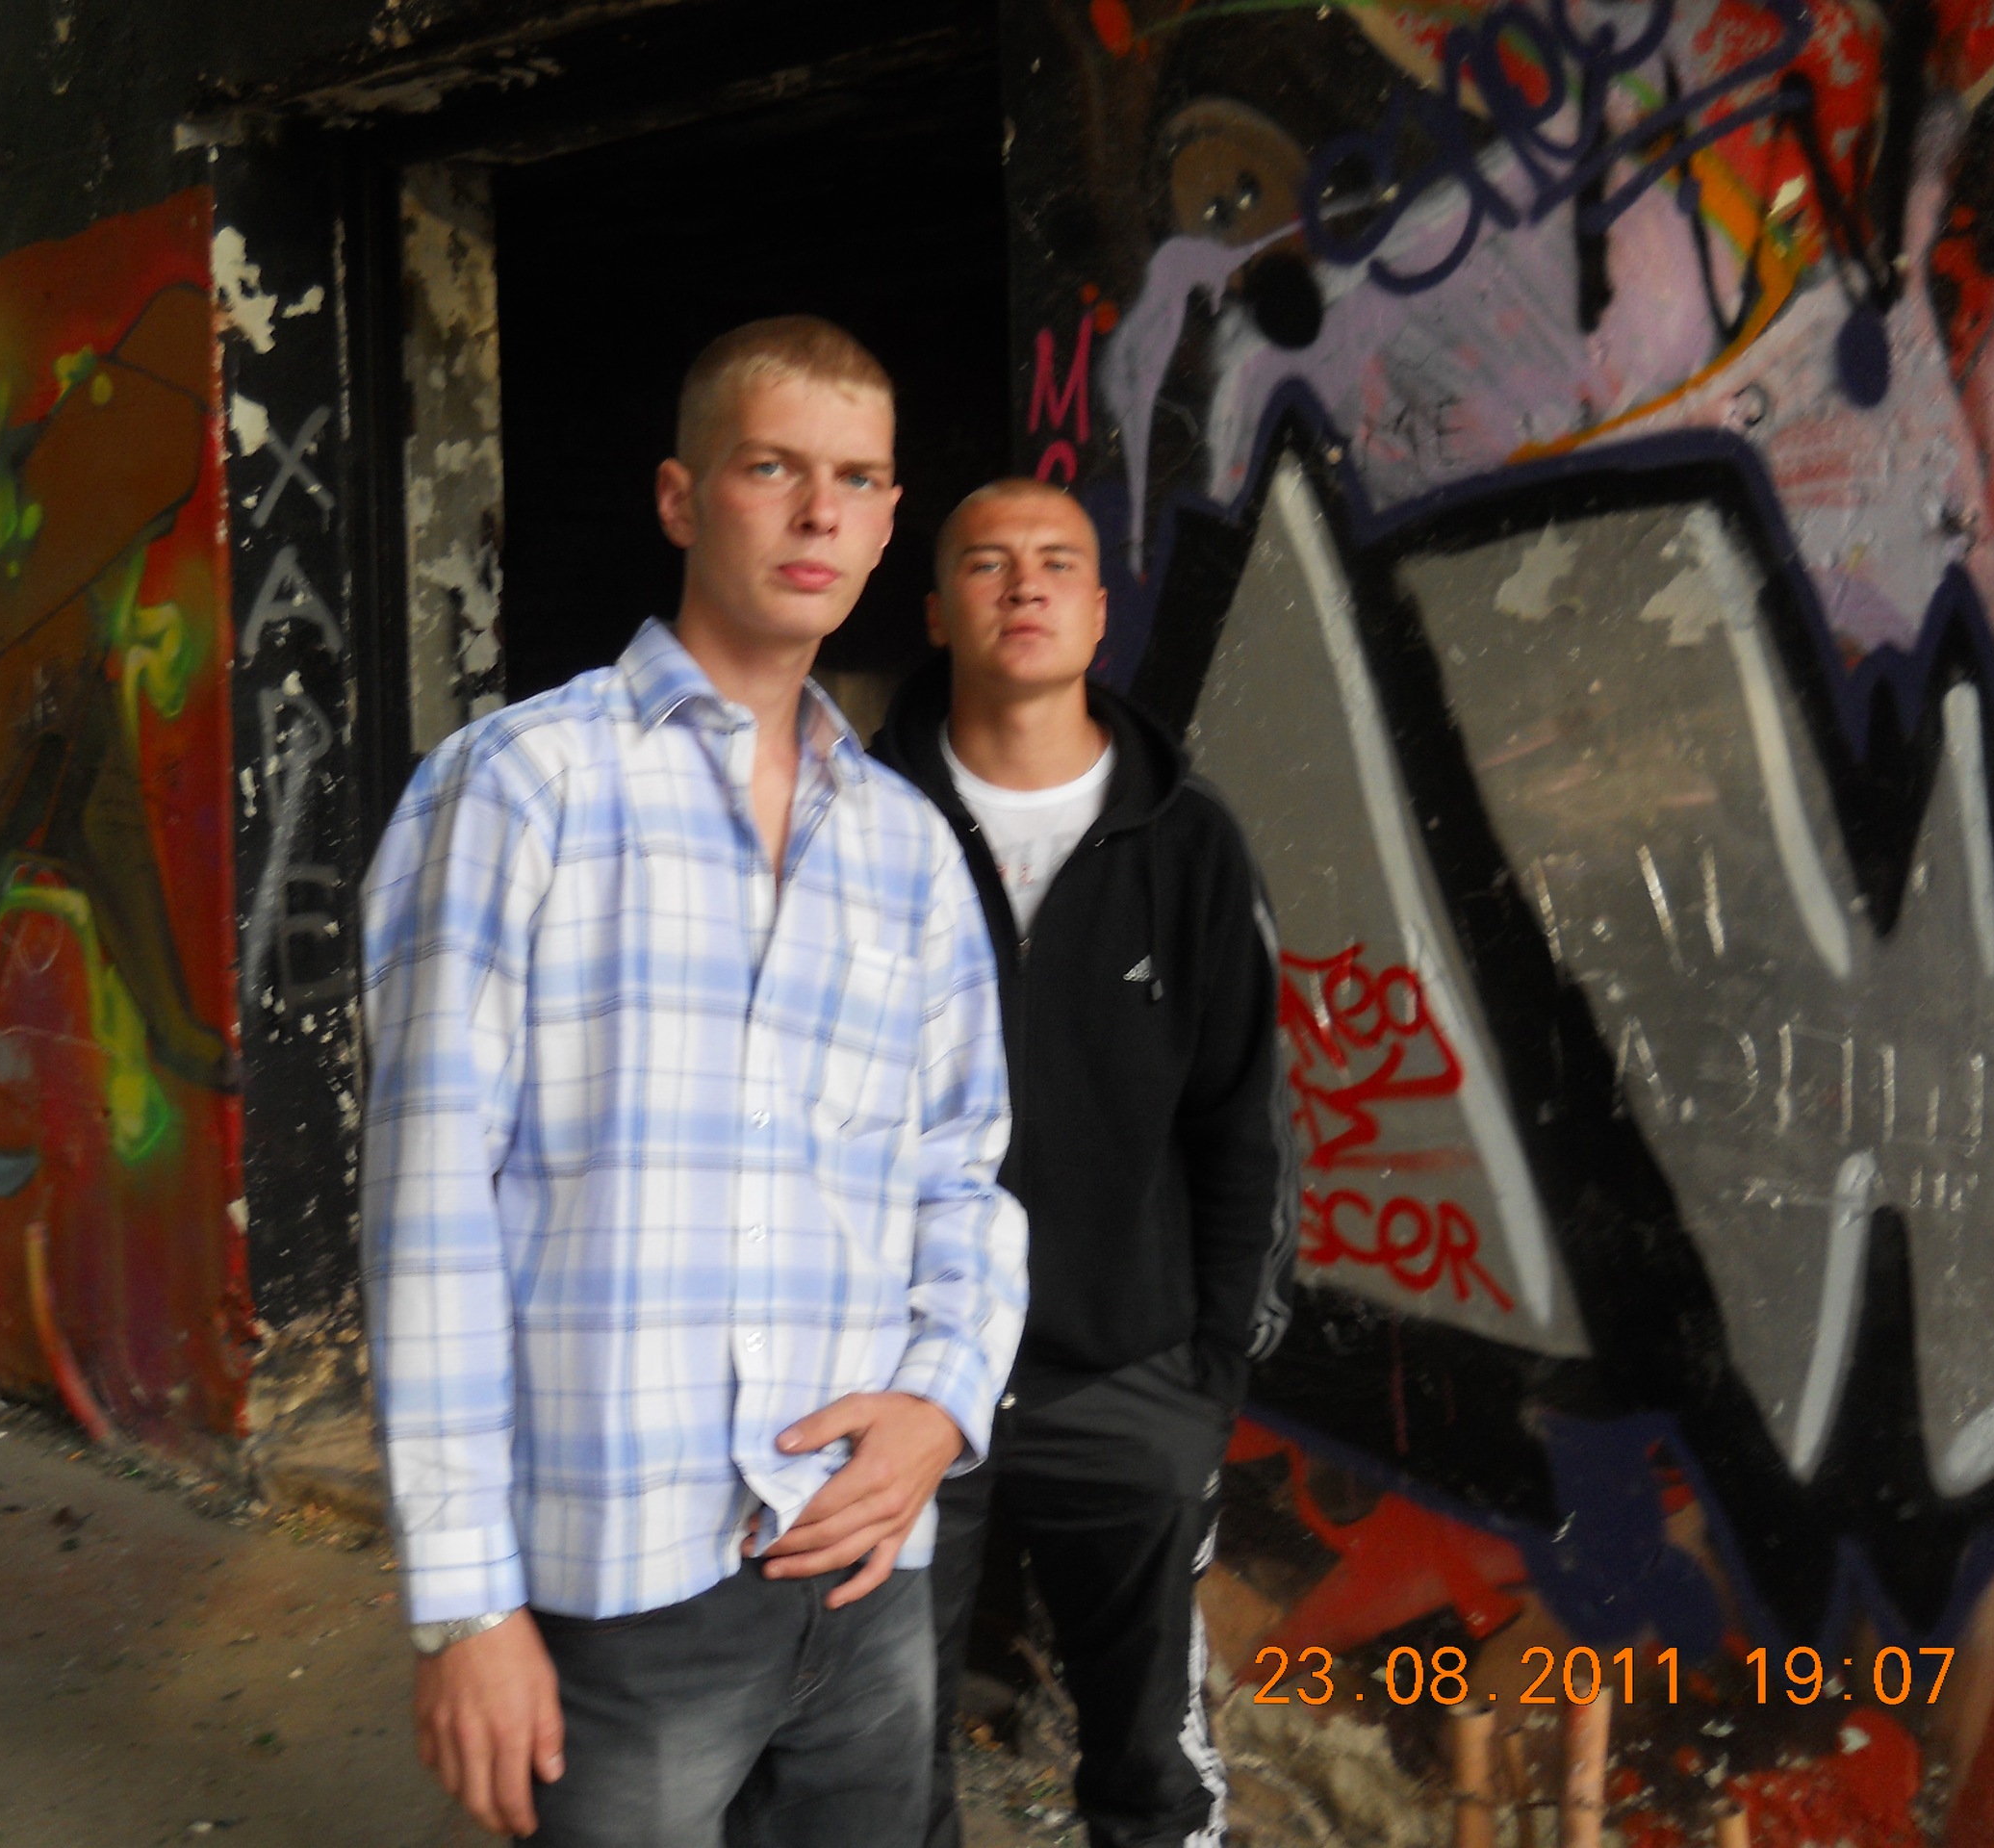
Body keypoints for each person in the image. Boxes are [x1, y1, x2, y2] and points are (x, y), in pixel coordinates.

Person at [358, 317, 1029, 1847]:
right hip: (623, 1584)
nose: (818, 514)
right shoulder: (523, 789)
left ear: (887, 521)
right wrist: (464, 1607)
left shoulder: (907, 849)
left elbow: (961, 1171)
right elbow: (427, 1213)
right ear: (680, 498)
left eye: (856, 481)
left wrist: (944, 1400)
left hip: (866, 1563)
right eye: (772, 468)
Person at [872, 478, 1297, 1848]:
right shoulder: (858, 823)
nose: (1024, 586)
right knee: (878, 1766)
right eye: (986, 563)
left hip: (1128, 1382)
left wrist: (1206, 1374)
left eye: (1056, 563)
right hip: (897, 1379)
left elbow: (1242, 1125)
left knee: (1150, 1771)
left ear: (1101, 611)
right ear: (937, 611)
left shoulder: (1191, 840)